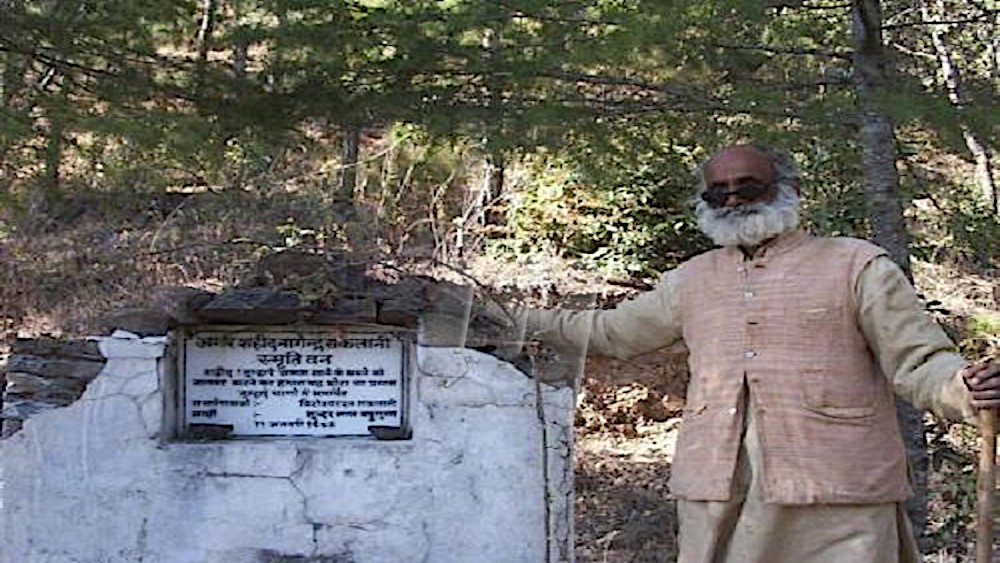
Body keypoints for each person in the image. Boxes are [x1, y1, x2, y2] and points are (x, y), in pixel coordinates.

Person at [518, 143, 1000, 562]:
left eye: (748, 187)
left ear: (788, 190)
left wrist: (962, 388)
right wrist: (508, 317)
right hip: (717, 495)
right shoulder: (692, 279)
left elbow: (918, 360)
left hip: (838, 498)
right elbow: (610, 332)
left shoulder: (856, 265)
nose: (733, 200)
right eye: (718, 192)